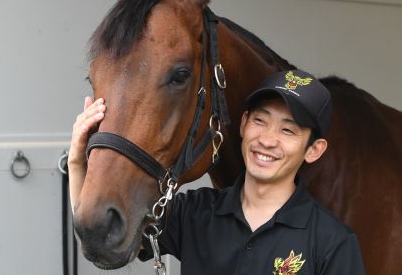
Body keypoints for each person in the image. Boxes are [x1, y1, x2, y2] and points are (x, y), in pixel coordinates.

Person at [68, 69, 366, 275]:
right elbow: (102, 237)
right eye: (260, 121)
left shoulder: (332, 242)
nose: (267, 140)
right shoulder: (194, 214)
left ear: (314, 149)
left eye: (288, 130)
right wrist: (78, 163)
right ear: (243, 123)